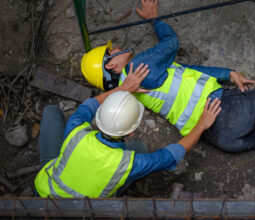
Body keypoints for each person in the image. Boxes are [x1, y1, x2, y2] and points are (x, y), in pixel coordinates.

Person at [80, 0, 255, 185]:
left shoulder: (135, 90)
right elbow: (171, 42)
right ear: (112, 65)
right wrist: (154, 19)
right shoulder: (139, 67)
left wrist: (229, 74)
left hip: (221, 137)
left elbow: (186, 70)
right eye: (112, 51)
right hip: (226, 111)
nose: (117, 49)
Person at [34, 63, 222, 197]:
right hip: (88, 211)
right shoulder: (127, 164)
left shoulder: (76, 131)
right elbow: (170, 156)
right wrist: (201, 125)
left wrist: (123, 88)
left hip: (45, 191)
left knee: (51, 111)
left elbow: (88, 105)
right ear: (130, 132)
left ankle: (57, 167)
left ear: (98, 118)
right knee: (139, 147)